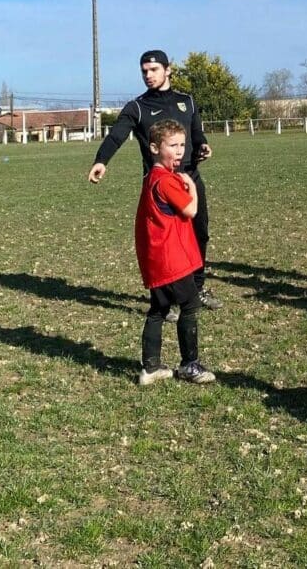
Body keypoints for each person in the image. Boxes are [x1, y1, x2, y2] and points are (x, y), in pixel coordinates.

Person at [88, 50, 221, 311]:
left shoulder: (187, 101)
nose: (148, 75)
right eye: (144, 71)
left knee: (199, 233)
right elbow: (116, 136)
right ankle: (164, 301)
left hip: (189, 178)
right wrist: (101, 160)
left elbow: (196, 133)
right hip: (159, 185)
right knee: (163, 244)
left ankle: (197, 287)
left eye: (154, 70)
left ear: (168, 70)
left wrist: (203, 146)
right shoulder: (137, 107)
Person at [134, 120, 215, 385]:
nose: (180, 151)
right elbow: (191, 211)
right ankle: (189, 364)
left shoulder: (151, 179)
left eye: (182, 145)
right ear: (155, 147)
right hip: (171, 260)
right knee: (190, 305)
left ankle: (151, 367)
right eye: (173, 145)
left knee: (158, 309)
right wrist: (191, 186)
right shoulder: (167, 181)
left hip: (156, 260)